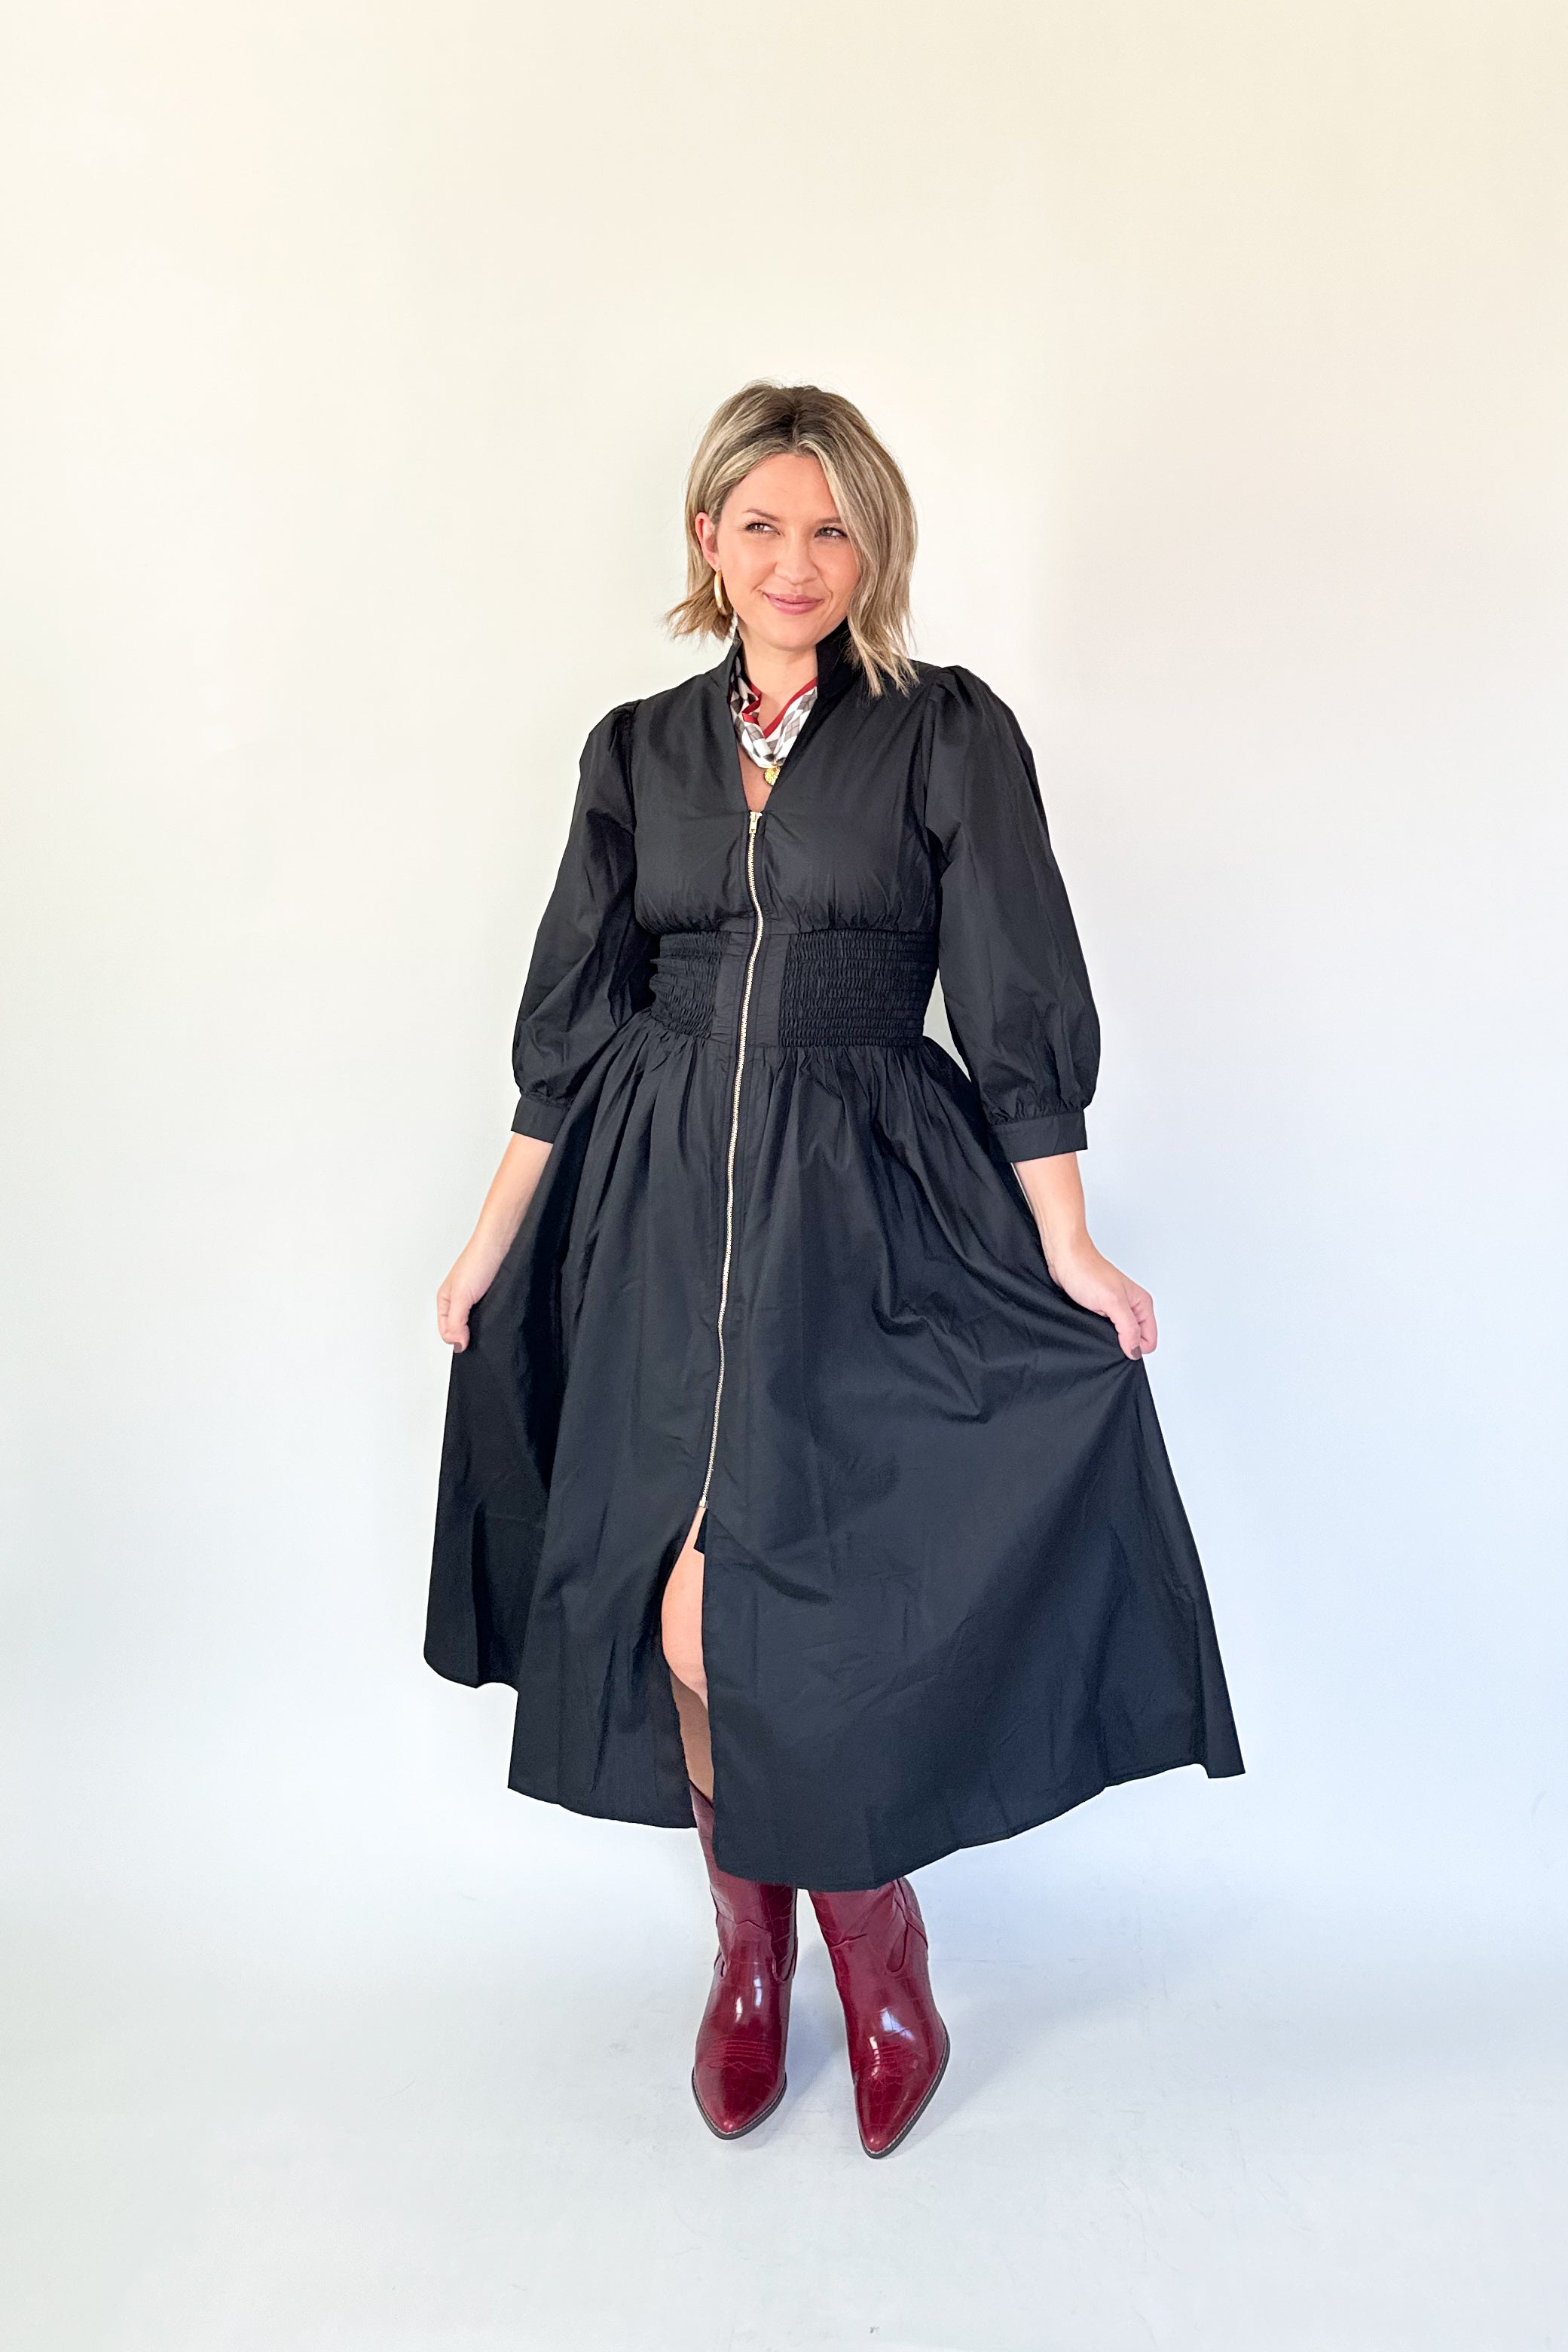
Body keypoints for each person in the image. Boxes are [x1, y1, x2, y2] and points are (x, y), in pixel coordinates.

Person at [427, 381, 1242, 2158]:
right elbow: (569, 1020)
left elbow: (1015, 991)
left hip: (865, 1198)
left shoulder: (944, 732)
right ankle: (751, 1949)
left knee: (799, 1594)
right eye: (763, 525)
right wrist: (491, 1242)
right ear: (707, 539)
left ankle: (874, 1945)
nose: (796, 560)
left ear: (874, 549)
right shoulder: (634, 751)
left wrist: (1067, 1239)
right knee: (677, 1599)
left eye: (832, 529)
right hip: (655, 1206)